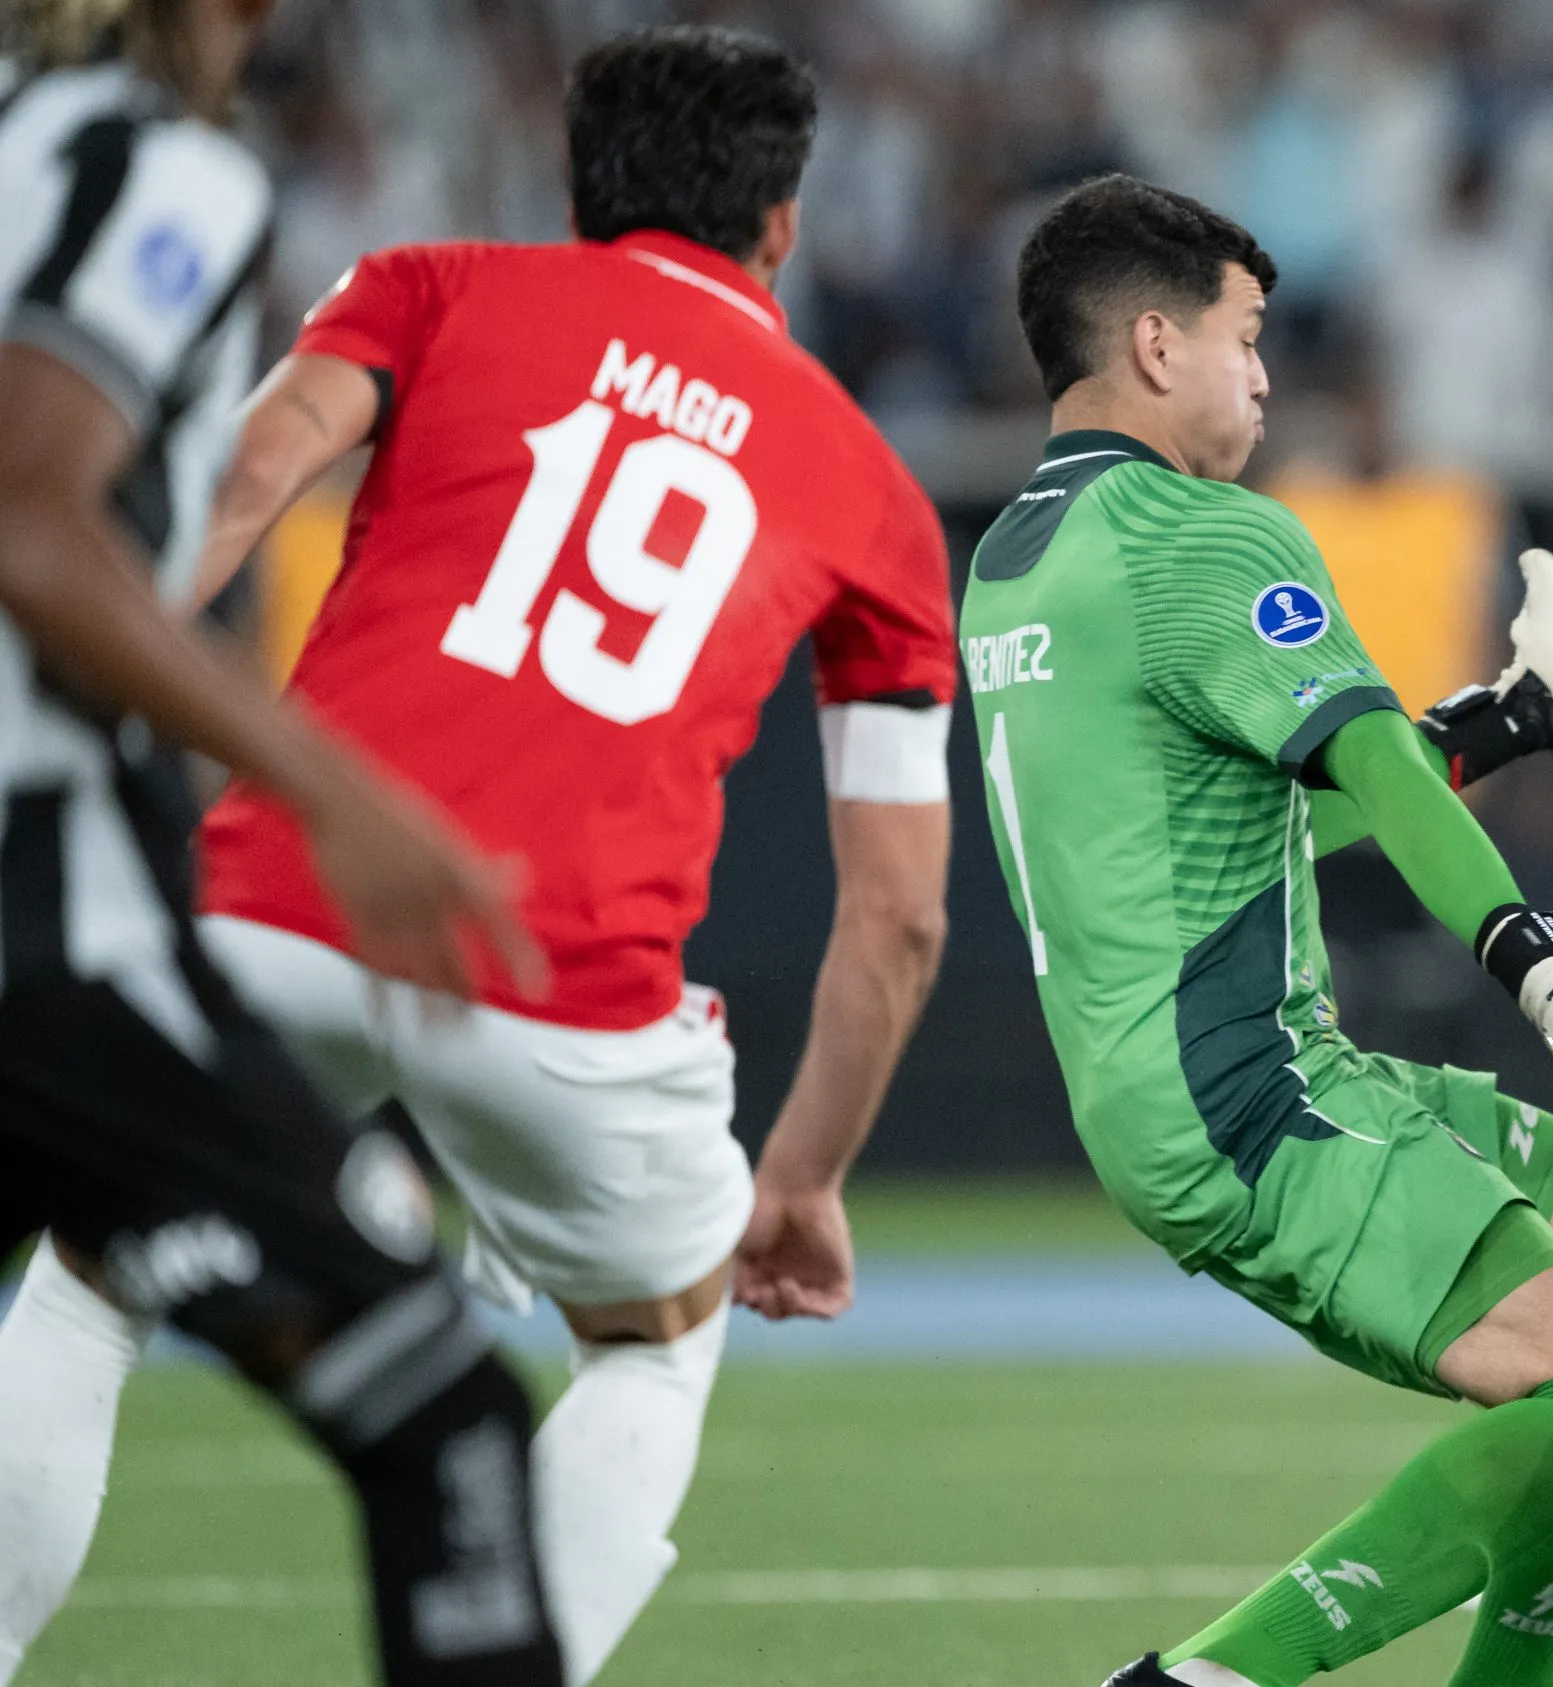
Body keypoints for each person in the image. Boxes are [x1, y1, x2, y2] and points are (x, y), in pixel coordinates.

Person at [0, 25, 956, 1684]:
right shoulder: (878, 492)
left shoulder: (432, 284)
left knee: (97, 1257)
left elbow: (235, 481)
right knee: (654, 1343)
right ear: (782, 225)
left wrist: (122, 694)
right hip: (562, 980)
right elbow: (901, 914)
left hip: (279, 889)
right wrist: (797, 1179)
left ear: (580, 187)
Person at [966, 175, 1553, 1687]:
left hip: (1188, 1076)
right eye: (1249, 337)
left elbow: (1258, 825)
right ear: (1156, 341)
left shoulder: (1018, 557)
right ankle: (1205, 1679)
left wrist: (1503, 720)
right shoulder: (1207, 534)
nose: (1266, 373)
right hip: (1247, 1086)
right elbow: (1366, 764)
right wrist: (1532, 956)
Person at [0, 1, 563, 1682]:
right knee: (447, 1416)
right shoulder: (157, 169)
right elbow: (35, 511)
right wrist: (337, 791)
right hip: (46, 922)